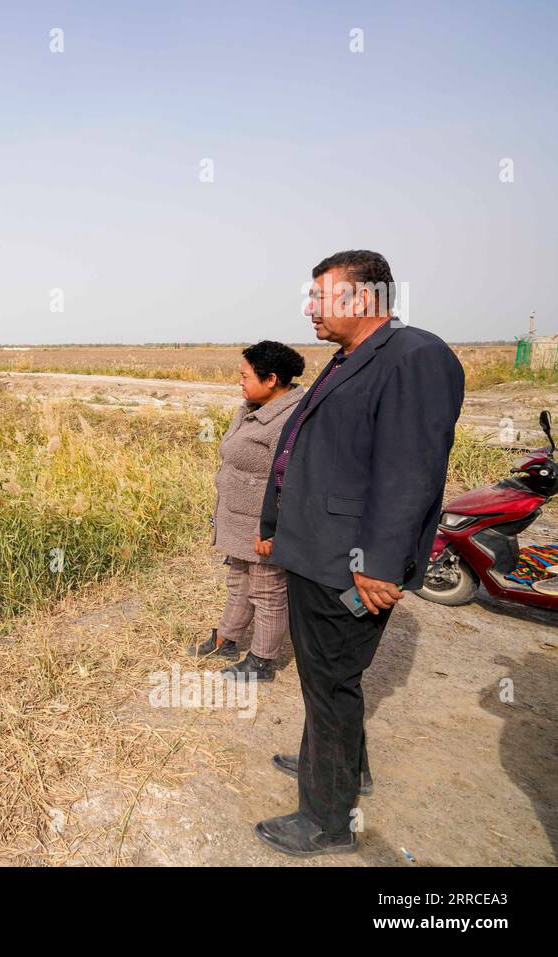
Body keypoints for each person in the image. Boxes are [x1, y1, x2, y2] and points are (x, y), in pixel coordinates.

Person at [254, 250, 464, 856]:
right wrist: (277, 522)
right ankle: (344, 770)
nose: (309, 307)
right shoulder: (351, 358)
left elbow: (410, 473)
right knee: (330, 679)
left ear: (360, 298)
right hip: (317, 549)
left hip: (349, 563)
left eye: (319, 296)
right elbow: (307, 449)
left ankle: (325, 819)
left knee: (330, 684)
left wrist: (375, 563)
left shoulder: (415, 357)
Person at [188, 341, 305, 682]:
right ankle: (227, 639)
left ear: (271, 379)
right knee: (238, 581)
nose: (239, 381)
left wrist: (272, 529)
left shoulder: (288, 420)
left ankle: (262, 661)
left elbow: (287, 482)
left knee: (267, 591)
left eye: (245, 375)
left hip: (262, 525)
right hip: (239, 519)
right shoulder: (252, 406)